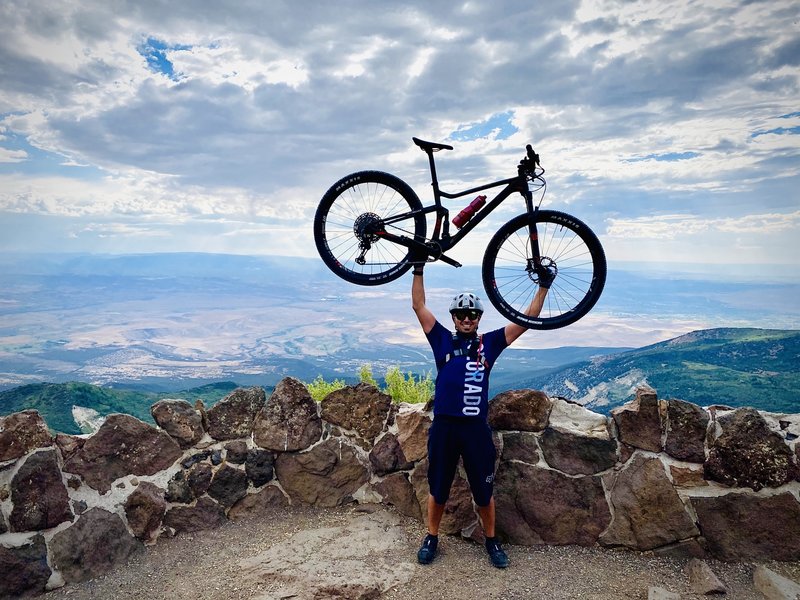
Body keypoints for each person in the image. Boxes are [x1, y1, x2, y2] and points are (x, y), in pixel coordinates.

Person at [410, 258, 554, 569]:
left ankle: (491, 540)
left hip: (475, 429)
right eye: (461, 314)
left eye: (472, 314)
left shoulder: (489, 343)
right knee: (438, 488)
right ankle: (431, 537)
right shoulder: (442, 339)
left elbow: (526, 320)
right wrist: (418, 268)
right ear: (454, 317)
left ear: (478, 318)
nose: (466, 318)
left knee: (484, 491)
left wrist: (543, 287)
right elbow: (419, 305)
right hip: (445, 427)